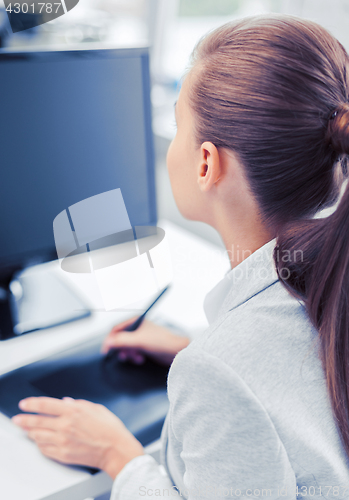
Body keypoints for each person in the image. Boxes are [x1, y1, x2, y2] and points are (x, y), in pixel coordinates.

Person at [12, 14, 349, 499]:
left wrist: (116, 455)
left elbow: (249, 373)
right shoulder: (329, 275)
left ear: (207, 163)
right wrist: (193, 348)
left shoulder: (220, 370)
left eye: (178, 126)